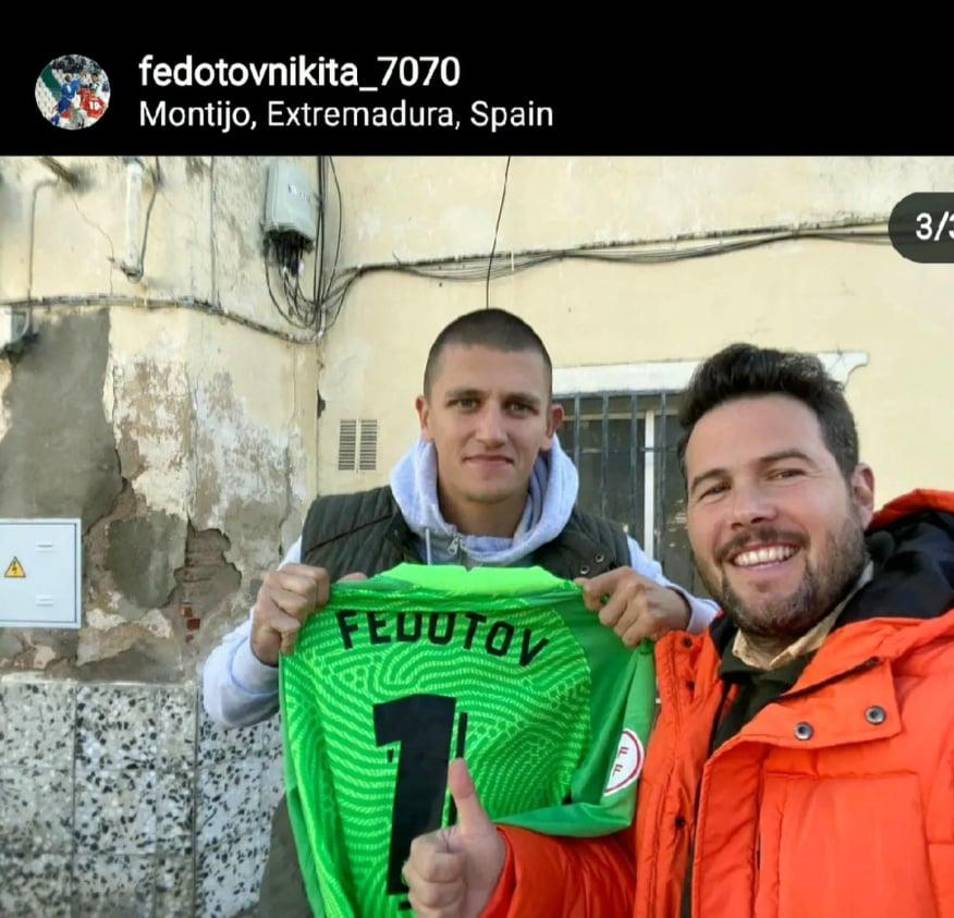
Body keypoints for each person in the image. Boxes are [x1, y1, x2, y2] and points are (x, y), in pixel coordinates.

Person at [405, 342, 954, 918]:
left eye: (784, 473)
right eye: (715, 488)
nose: (747, 511)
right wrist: (508, 881)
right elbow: (645, 883)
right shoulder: (691, 698)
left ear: (860, 493)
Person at [201, 307, 718, 914]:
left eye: (518, 407)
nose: (492, 430)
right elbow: (223, 702)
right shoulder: (336, 537)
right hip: (328, 894)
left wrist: (681, 611)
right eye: (466, 402)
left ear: (552, 425)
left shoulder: (604, 554)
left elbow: (718, 642)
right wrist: (266, 638)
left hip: (514, 898)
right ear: (426, 416)